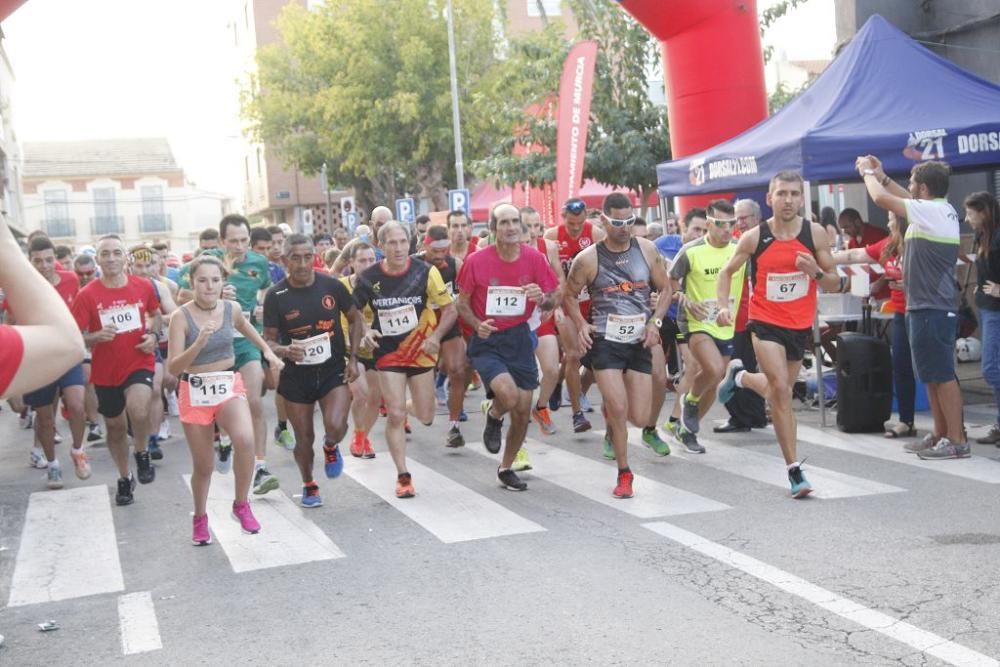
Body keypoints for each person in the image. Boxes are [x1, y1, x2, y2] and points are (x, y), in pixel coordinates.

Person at [716, 171, 840, 498]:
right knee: (782, 392)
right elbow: (727, 272)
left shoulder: (814, 235)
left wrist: (814, 272)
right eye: (782, 193)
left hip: (799, 326)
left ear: (802, 198)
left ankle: (740, 377)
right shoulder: (755, 237)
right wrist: (723, 306)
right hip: (765, 320)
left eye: (794, 194)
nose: (788, 200)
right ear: (769, 198)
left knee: (776, 389)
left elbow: (835, 281)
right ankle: (794, 470)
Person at [169, 255, 284, 543]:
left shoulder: (231, 309)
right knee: (204, 466)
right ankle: (199, 517)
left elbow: (250, 331)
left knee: (245, 439)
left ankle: (240, 504)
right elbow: (173, 367)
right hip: (194, 388)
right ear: (192, 283)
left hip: (226, 383)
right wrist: (198, 343)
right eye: (203, 281)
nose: (209, 287)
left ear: (223, 282)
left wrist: (268, 353)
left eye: (216, 280)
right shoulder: (180, 317)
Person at [857, 156, 965, 459]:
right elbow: (900, 196)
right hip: (924, 305)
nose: (909, 187)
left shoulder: (932, 211)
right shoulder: (935, 209)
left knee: (941, 375)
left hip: (933, 305)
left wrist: (868, 173)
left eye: (913, 183)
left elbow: (880, 198)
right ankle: (940, 433)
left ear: (924, 188)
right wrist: (882, 174)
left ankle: (956, 439)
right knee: (930, 374)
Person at [564, 192, 671, 498]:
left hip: (640, 338)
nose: (624, 227)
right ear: (603, 220)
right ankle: (625, 474)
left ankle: (613, 417)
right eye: (617, 222)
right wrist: (582, 324)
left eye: (628, 221)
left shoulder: (647, 249)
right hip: (606, 342)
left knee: (637, 415)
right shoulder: (588, 259)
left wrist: (656, 322)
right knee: (621, 407)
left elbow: (666, 289)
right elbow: (569, 294)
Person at [457, 203, 560, 491]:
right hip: (488, 340)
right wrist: (477, 324)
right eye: (504, 222)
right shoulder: (476, 261)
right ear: (493, 229)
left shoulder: (535, 259)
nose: (512, 227)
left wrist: (543, 298)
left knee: (523, 410)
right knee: (509, 395)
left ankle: (506, 467)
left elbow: (552, 298)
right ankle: (493, 414)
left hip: (520, 337)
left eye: (515, 221)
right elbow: (461, 304)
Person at [352, 222, 456, 498]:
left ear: (409, 243)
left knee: (426, 414)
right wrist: (366, 330)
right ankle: (402, 475)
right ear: (381, 245)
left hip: (420, 349)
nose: (398, 248)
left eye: (402, 242)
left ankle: (408, 406)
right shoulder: (369, 277)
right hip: (387, 352)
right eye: (392, 243)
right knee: (396, 413)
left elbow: (449, 310)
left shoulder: (425, 272)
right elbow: (354, 311)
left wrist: (436, 337)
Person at [178, 215, 278, 493]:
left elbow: (266, 290)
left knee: (254, 402)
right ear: (222, 242)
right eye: (233, 241)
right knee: (218, 406)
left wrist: (262, 306)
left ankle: (260, 467)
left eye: (244, 240)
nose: (239, 246)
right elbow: (180, 295)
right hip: (214, 346)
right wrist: (213, 297)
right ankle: (223, 439)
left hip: (244, 342)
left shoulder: (258, 262)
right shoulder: (208, 261)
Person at [264, 234, 363, 508]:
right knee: (303, 437)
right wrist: (284, 350)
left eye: (308, 256)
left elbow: (355, 319)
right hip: (296, 376)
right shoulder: (276, 295)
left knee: (336, 425)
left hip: (332, 371)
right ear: (285, 260)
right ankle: (309, 483)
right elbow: (268, 340)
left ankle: (331, 446)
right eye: (295, 257)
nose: (303, 263)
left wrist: (353, 358)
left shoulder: (332, 286)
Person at [71, 234, 162, 505]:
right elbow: (73, 335)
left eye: (116, 253)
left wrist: (155, 337)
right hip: (106, 369)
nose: (111, 258)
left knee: (139, 409)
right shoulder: (87, 295)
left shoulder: (142, 286)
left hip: (138, 360)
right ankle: (124, 477)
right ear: (98, 259)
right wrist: (94, 337)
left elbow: (155, 315)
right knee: (115, 427)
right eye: (105, 254)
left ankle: (143, 452)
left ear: (126, 257)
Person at [11, 236, 90, 487]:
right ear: (29, 262)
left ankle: (78, 451)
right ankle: (52, 464)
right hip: (37, 359)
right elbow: (10, 327)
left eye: (48, 260)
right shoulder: (19, 286)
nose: (44, 265)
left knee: (77, 405)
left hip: (66, 354)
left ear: (55, 259)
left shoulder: (70, 280)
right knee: (45, 419)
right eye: (37, 261)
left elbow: (80, 315)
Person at [670, 199, 746, 454]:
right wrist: (687, 301)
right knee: (713, 370)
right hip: (696, 321)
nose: (728, 229)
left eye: (732, 224)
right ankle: (690, 401)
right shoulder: (691, 251)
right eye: (721, 224)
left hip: (725, 322)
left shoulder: (740, 249)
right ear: (709, 223)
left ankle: (688, 430)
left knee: (713, 384)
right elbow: (670, 281)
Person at [832, 211, 913, 438]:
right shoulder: (886, 244)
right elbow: (857, 256)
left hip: (921, 311)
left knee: (933, 372)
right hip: (898, 312)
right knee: (902, 366)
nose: (886, 222)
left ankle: (951, 428)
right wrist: (826, 257)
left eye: (890, 218)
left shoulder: (917, 242)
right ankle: (907, 421)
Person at [545, 197, 606, 432]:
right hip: (566, 302)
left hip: (592, 303)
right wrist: (556, 306)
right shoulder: (552, 236)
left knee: (590, 357)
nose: (575, 228)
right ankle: (577, 414)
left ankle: (563, 383)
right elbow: (549, 276)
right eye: (571, 224)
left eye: (579, 224)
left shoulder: (596, 234)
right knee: (573, 355)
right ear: (563, 218)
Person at [716, 199, 769, 434]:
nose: (739, 222)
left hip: (759, 316)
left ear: (756, 217)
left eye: (744, 217)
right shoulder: (737, 243)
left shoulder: (764, 239)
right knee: (739, 364)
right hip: (738, 315)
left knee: (742, 366)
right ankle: (748, 416)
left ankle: (751, 416)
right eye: (736, 218)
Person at [415, 224, 469, 449]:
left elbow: (467, 295)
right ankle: (406, 410)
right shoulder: (412, 264)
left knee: (458, 369)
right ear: (424, 246)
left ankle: (454, 425)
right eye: (434, 251)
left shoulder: (456, 265)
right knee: (420, 386)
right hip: (418, 326)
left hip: (447, 322)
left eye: (443, 250)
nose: (439, 256)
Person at [522, 206, 564, 439]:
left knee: (551, 369)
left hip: (541, 315)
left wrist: (555, 306)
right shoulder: (501, 251)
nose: (534, 231)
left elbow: (558, 283)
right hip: (513, 321)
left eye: (537, 225)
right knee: (521, 377)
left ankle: (541, 407)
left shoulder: (547, 248)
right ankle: (500, 411)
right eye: (528, 226)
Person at [964, 192, 1000, 445]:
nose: (967, 219)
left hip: (996, 310)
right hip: (987, 307)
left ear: (983, 212)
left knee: (990, 368)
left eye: (970, 213)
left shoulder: (997, 237)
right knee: (994, 367)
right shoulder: (982, 236)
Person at [340, 241, 380, 459]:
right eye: (362, 260)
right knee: (361, 393)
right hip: (350, 349)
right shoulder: (342, 286)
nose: (368, 264)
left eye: (372, 260)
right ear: (352, 263)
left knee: (376, 398)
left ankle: (364, 435)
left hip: (376, 349)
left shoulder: (382, 284)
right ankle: (358, 433)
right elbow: (341, 323)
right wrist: (355, 342)